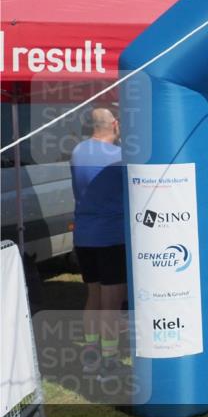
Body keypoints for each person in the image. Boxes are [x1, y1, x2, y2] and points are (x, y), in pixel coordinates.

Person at [70, 107, 127, 377]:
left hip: (84, 236)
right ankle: (109, 360)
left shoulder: (77, 151)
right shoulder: (120, 157)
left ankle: (90, 357)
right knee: (111, 303)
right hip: (111, 236)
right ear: (115, 124)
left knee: (93, 297)